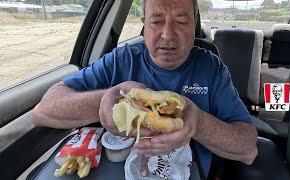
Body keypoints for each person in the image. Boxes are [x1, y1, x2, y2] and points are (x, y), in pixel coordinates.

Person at [33, 0, 258, 178]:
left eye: (181, 21)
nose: (168, 34)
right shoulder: (121, 60)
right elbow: (43, 110)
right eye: (157, 21)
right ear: (144, 23)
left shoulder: (211, 69)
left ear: (194, 23)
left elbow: (248, 148)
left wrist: (198, 123)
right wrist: (107, 99)